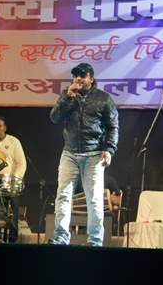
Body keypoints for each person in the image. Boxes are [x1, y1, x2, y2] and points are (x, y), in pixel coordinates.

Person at [48, 63, 119, 246]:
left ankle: (95, 241)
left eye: (83, 75)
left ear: (91, 78)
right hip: (70, 153)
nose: (78, 78)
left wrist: (109, 149)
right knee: (63, 195)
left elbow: (113, 126)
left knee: (94, 199)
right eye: (76, 75)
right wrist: (66, 97)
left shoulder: (103, 99)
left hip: (94, 154)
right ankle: (61, 238)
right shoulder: (68, 96)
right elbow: (54, 118)